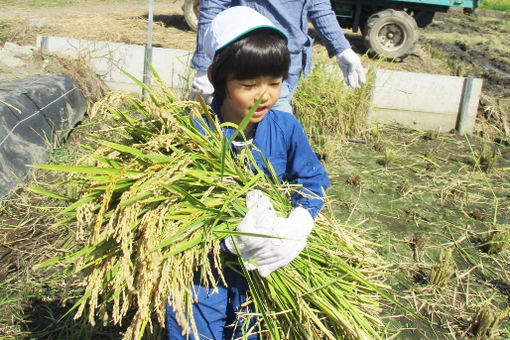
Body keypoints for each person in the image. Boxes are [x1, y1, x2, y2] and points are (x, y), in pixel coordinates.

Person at [166, 6, 329, 340]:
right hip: (203, 272)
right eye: (249, 84)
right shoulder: (194, 131)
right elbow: (169, 206)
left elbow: (311, 179)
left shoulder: (285, 126)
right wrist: (224, 240)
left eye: (275, 82)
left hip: (261, 273)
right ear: (216, 78)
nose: (265, 95)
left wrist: (299, 222)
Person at [189, 0, 366, 113]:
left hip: (291, 63)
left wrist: (341, 48)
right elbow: (213, 6)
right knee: (277, 129)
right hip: (252, 61)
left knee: (266, 133)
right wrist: (204, 67)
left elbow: (318, 4)